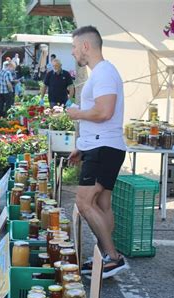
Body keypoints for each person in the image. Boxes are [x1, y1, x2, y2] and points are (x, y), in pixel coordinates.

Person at [66, 25, 129, 279]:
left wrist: (76, 113)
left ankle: (113, 258)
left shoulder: (103, 73)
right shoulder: (101, 72)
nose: (72, 52)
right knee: (102, 204)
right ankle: (107, 256)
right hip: (102, 146)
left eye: (73, 47)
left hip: (104, 147)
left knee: (83, 201)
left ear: (85, 46)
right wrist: (81, 147)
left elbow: (104, 112)